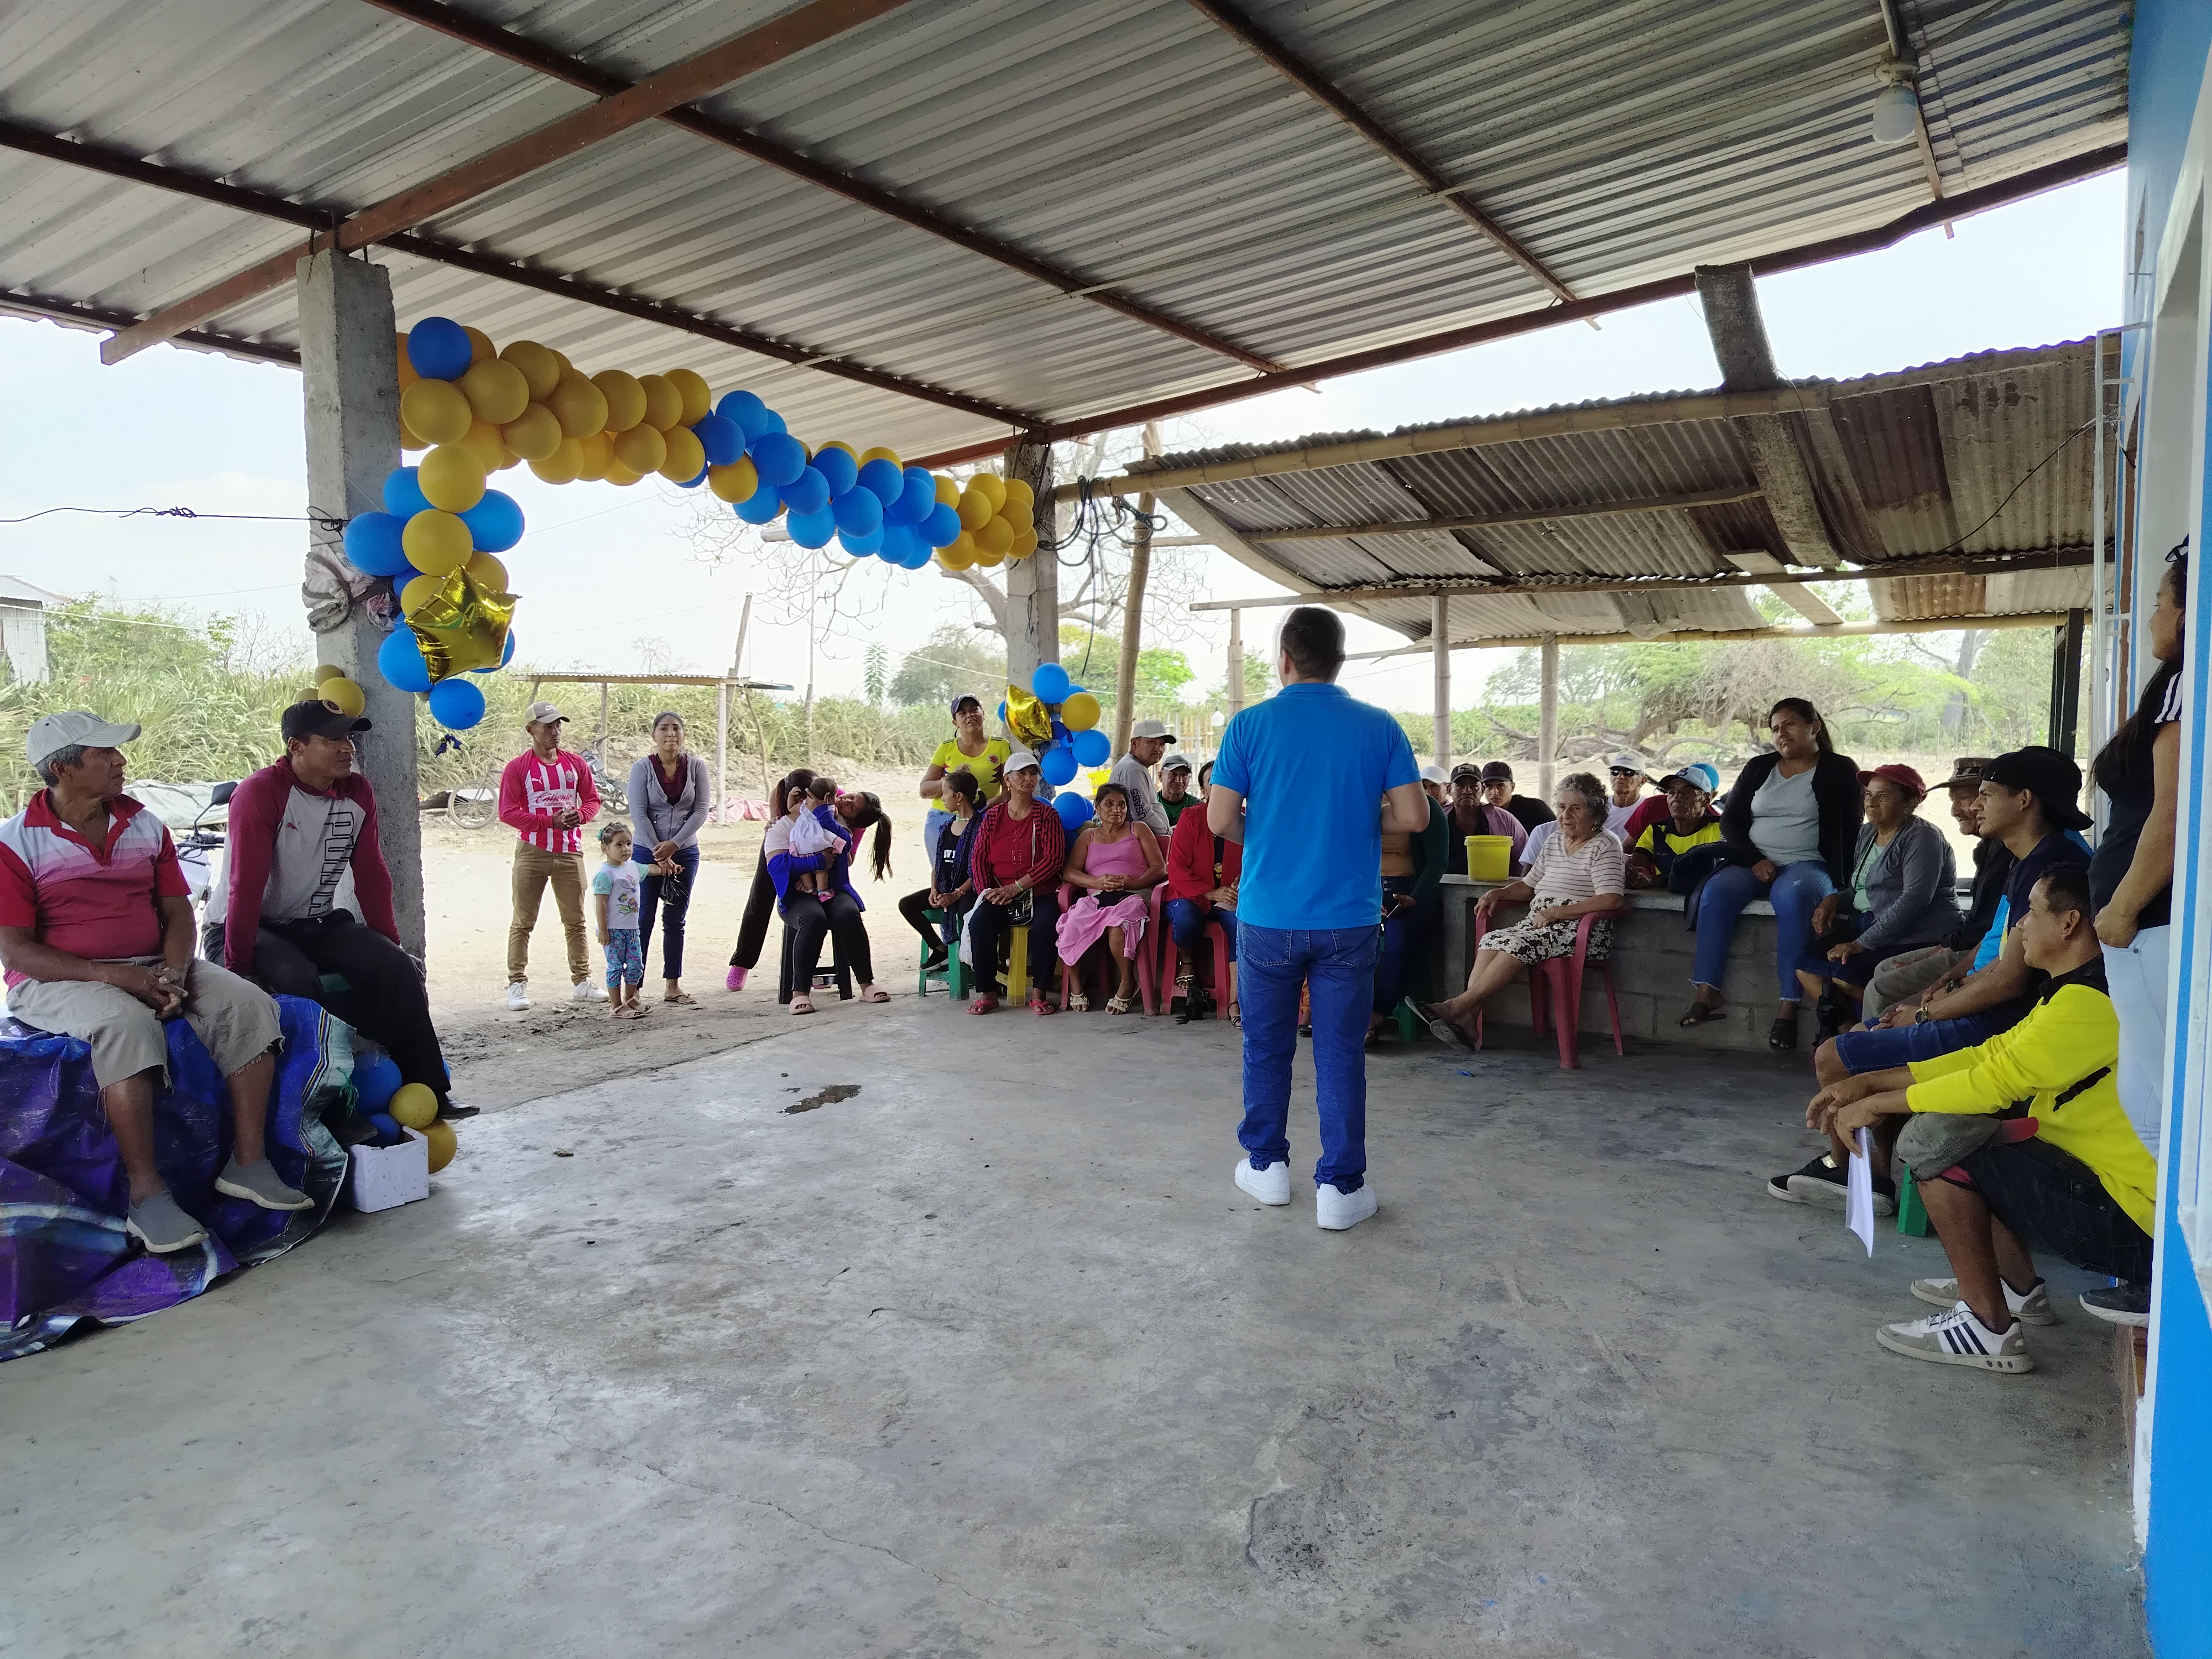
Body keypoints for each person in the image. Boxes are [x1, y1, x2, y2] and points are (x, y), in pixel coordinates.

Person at [1808, 864, 2154, 1371]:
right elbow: (1987, 1056)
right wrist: (1871, 1082)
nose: (2020, 927)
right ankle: (2016, 1290)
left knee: (1938, 1141)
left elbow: (1993, 1082)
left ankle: (1987, 1327)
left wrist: (1879, 1103)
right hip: (2112, 1199)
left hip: (2135, 1228)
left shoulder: (2091, 1003)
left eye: (2032, 912)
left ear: (2069, 923)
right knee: (1971, 1134)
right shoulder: (2073, 990)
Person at [0, 713, 307, 1254]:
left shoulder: (143, 824)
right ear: (63, 769)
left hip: (151, 961)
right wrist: (119, 977)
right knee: (125, 1024)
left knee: (248, 1003)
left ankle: (249, 1163)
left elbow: (178, 912)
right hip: (56, 976)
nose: (120, 761)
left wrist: (175, 970)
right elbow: (18, 950)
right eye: (104, 754)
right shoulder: (15, 842)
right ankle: (147, 1194)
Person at [1771, 745, 2092, 1211]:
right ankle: (1872, 1172)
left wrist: (1924, 1013)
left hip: (2001, 1025)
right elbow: (1996, 947)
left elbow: (2008, 982)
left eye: (1986, 794)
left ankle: (1854, 1175)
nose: (1975, 804)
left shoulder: (2053, 866)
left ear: (2024, 800)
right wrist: (1941, 988)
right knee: (1861, 1027)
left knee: (1834, 1055)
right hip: (1991, 1007)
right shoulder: (2027, 857)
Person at [1208, 606, 1425, 1232]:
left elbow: (1220, 820)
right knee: (1339, 1053)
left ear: (1284, 659)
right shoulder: (1379, 726)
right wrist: (1359, 818)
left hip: (1268, 917)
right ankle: (1340, 1188)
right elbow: (1414, 817)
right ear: (1339, 660)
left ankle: (1267, 1167)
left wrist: (1269, 829)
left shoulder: (1249, 725)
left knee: (1266, 1046)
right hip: (1348, 921)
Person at [208, 697, 469, 1120]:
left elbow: (371, 874)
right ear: (296, 747)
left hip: (313, 923)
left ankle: (432, 1091)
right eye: (333, 740)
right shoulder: (261, 792)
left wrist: (392, 943)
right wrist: (238, 968)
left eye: (348, 738)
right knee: (296, 980)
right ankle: (320, 1111)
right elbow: (245, 886)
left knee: (395, 967)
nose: (347, 748)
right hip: (244, 925)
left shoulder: (358, 792)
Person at [1679, 698, 1862, 1050]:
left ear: (1814, 727)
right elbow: (1730, 821)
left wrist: (1845, 887)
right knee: (1715, 892)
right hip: (1755, 862)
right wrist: (1753, 860)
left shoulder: (1840, 769)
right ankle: (1707, 990)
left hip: (1809, 864)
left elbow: (1851, 829)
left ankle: (1788, 1006)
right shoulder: (1759, 767)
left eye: (1790, 725)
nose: (1782, 734)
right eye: (1776, 729)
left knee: (1793, 899)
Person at [2093, 546, 2187, 1170]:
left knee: (2171, 1119)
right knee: (2148, 1111)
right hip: (2136, 931)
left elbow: (2171, 813)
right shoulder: (2177, 685)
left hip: (2148, 925)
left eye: (2158, 602)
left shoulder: (2185, 685)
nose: (2151, 617)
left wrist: (2122, 908)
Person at [1416, 772, 1626, 1049]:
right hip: (1541, 924)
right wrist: (1498, 893)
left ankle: (1455, 1007)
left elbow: (1612, 900)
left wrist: (1557, 913)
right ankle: (1468, 1022)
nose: (1565, 815)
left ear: (1595, 812)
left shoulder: (1605, 844)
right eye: (1562, 807)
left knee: (1517, 943)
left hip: (1580, 930)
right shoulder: (1554, 841)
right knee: (1491, 940)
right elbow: (1528, 886)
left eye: (1576, 808)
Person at [1793, 765, 1960, 1046]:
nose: (1871, 803)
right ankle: (1847, 1035)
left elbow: (1915, 899)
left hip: (1916, 934)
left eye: (1883, 796)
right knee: (1806, 967)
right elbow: (1863, 886)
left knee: (1847, 977)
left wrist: (1862, 943)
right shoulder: (1869, 833)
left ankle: (1881, 1031)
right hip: (1871, 926)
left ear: (1910, 803)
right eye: (1869, 795)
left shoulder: (1922, 837)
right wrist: (1838, 897)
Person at [1860, 757, 2007, 1022]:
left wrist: (1946, 959)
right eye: (1954, 800)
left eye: (1967, 799)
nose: (1956, 810)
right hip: (1967, 945)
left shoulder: (2008, 852)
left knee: (1880, 988)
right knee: (1880, 971)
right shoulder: (1988, 848)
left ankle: (1874, 1042)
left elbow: (1916, 898)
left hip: (1966, 951)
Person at [500, 701, 603, 1011]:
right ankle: (517, 983)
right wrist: (549, 822)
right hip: (532, 851)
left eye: (558, 725)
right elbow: (507, 812)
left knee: (576, 921)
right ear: (531, 729)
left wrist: (580, 816)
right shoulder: (518, 768)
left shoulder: (575, 764)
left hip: (570, 851)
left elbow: (593, 801)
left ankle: (582, 981)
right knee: (523, 921)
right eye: (547, 726)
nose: (555, 732)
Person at [764, 780, 890, 1015]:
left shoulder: (835, 822)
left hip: (834, 891)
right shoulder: (781, 827)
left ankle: (867, 984)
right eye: (807, 797)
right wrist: (818, 861)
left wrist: (824, 817)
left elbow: (844, 847)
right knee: (813, 919)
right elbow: (777, 866)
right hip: (796, 895)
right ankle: (800, 993)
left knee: (848, 913)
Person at [964, 750, 1066, 1014]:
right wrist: (987, 892)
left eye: (1033, 774)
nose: (1029, 778)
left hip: (1039, 891)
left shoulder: (1047, 815)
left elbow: (1054, 860)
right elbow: (978, 857)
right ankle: (988, 993)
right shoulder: (993, 817)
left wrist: (1017, 887)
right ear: (1007, 779)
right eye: (1022, 773)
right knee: (980, 924)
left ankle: (1039, 993)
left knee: (1046, 926)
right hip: (1000, 891)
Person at [1056, 782, 1166, 1013]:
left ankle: (1127, 983)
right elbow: (1069, 872)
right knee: (1071, 926)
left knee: (1118, 926)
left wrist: (1135, 883)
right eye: (1109, 804)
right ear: (1097, 807)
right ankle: (1076, 982)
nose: (1116, 809)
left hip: (1134, 894)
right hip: (1098, 897)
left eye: (1122, 805)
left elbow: (1160, 868)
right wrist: (1096, 882)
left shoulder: (1138, 829)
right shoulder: (1088, 836)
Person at [627, 711, 709, 1006]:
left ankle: (672, 985)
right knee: (643, 919)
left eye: (676, 728)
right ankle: (633, 988)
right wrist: (659, 853)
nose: (671, 734)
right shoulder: (642, 769)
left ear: (683, 734)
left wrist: (674, 845)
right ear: (654, 735)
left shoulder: (697, 767)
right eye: (664, 729)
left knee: (675, 919)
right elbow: (638, 813)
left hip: (684, 852)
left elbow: (701, 811)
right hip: (645, 852)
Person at [1371, 770, 1450, 1041]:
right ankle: (1347, 1012)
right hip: (1365, 893)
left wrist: (1414, 897)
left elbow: (1437, 862)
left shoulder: (1426, 808)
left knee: (1398, 939)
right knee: (1343, 939)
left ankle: (1377, 1013)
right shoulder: (1360, 803)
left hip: (1409, 894)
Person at [725, 768, 815, 992]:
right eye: (800, 798)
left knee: (814, 904)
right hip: (779, 848)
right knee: (760, 900)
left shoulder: (828, 795)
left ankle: (809, 970)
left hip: (810, 848)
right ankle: (741, 962)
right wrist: (776, 822)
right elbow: (776, 824)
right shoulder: (780, 793)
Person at [1165, 760, 1240, 1025]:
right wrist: (1211, 893)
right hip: (1190, 894)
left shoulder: (1246, 819)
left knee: (1242, 926)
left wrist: (1239, 888)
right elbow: (1176, 868)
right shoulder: (1191, 818)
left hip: (1232, 896)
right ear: (1203, 790)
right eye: (1213, 783)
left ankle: (1235, 1001)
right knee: (1186, 919)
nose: (1221, 788)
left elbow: (1257, 862)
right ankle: (1187, 963)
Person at [899, 769, 983, 971]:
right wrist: (934, 889)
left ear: (959, 797)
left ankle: (974, 965)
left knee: (968, 914)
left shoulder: (980, 827)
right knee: (907, 904)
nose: (943, 798)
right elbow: (938, 865)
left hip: (969, 890)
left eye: (945, 793)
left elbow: (979, 870)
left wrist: (957, 894)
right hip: (946, 889)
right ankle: (939, 949)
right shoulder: (947, 826)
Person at [919, 694, 1012, 862]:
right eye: (962, 713)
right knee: (942, 874)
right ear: (955, 722)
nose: (970, 715)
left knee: (976, 871)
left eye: (974, 709)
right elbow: (924, 790)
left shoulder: (1000, 746)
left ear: (983, 713)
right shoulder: (946, 748)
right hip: (942, 818)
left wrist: (991, 804)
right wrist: (951, 779)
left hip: (981, 819)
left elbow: (1009, 791)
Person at [1624, 763, 1720, 889]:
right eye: (1672, 792)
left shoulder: (1719, 829)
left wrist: (1656, 880)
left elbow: (1713, 873)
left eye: (1687, 792)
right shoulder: (1656, 831)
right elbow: (1635, 864)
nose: (1677, 798)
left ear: (1706, 800)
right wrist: (1633, 876)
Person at [591, 822, 647, 1020]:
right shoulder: (606, 874)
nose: (626, 849)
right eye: (619, 845)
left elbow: (650, 870)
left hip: (632, 930)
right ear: (605, 849)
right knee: (615, 967)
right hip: (613, 931)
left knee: (636, 965)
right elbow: (601, 903)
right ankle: (615, 1006)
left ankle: (630, 999)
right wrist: (603, 930)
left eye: (629, 844)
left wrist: (668, 868)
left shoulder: (633, 867)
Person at [1443, 763, 1528, 875]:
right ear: (1449, 789)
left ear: (1483, 789)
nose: (1467, 791)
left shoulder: (1504, 820)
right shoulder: (1438, 818)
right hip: (1443, 884)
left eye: (1474, 786)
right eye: (1460, 786)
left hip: (1493, 884)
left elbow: (1525, 858)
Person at [1110, 718, 1176, 837]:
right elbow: (1142, 815)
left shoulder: (1136, 766)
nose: (1158, 748)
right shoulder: (1133, 769)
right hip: (1137, 841)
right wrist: (1168, 832)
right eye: (1151, 742)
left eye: (1162, 744)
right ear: (1134, 743)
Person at [1479, 761, 1553, 835]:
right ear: (1482, 789)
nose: (1495, 792)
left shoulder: (1535, 808)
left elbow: (1557, 831)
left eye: (1501, 786)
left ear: (1512, 787)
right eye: (1489, 786)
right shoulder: (1480, 815)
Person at [1604, 753, 1648, 837]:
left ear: (1643, 781)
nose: (1620, 776)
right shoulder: (1599, 807)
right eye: (1614, 772)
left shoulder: (1648, 809)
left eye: (1628, 772)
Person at [1158, 753, 1199, 827]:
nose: (1179, 780)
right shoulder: (1149, 804)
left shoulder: (1196, 806)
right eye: (1173, 774)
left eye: (1184, 775)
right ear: (1160, 776)